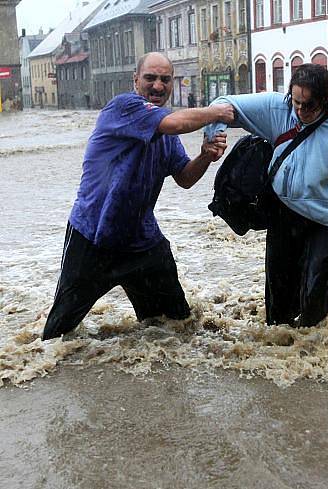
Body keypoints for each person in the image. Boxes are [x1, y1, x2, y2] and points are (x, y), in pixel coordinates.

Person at [42, 52, 234, 340]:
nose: (158, 86)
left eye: (165, 80)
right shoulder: (123, 107)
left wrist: (205, 155)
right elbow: (175, 123)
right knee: (57, 337)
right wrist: (219, 111)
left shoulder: (167, 130)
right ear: (136, 80)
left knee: (175, 328)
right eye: (150, 78)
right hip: (93, 237)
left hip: (143, 241)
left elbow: (185, 178)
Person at [205, 63, 328, 328]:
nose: (299, 111)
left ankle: (313, 357)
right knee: (279, 309)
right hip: (284, 216)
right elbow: (224, 104)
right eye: (296, 101)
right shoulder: (279, 110)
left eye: (308, 105)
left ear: (324, 101)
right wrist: (214, 132)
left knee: (313, 306)